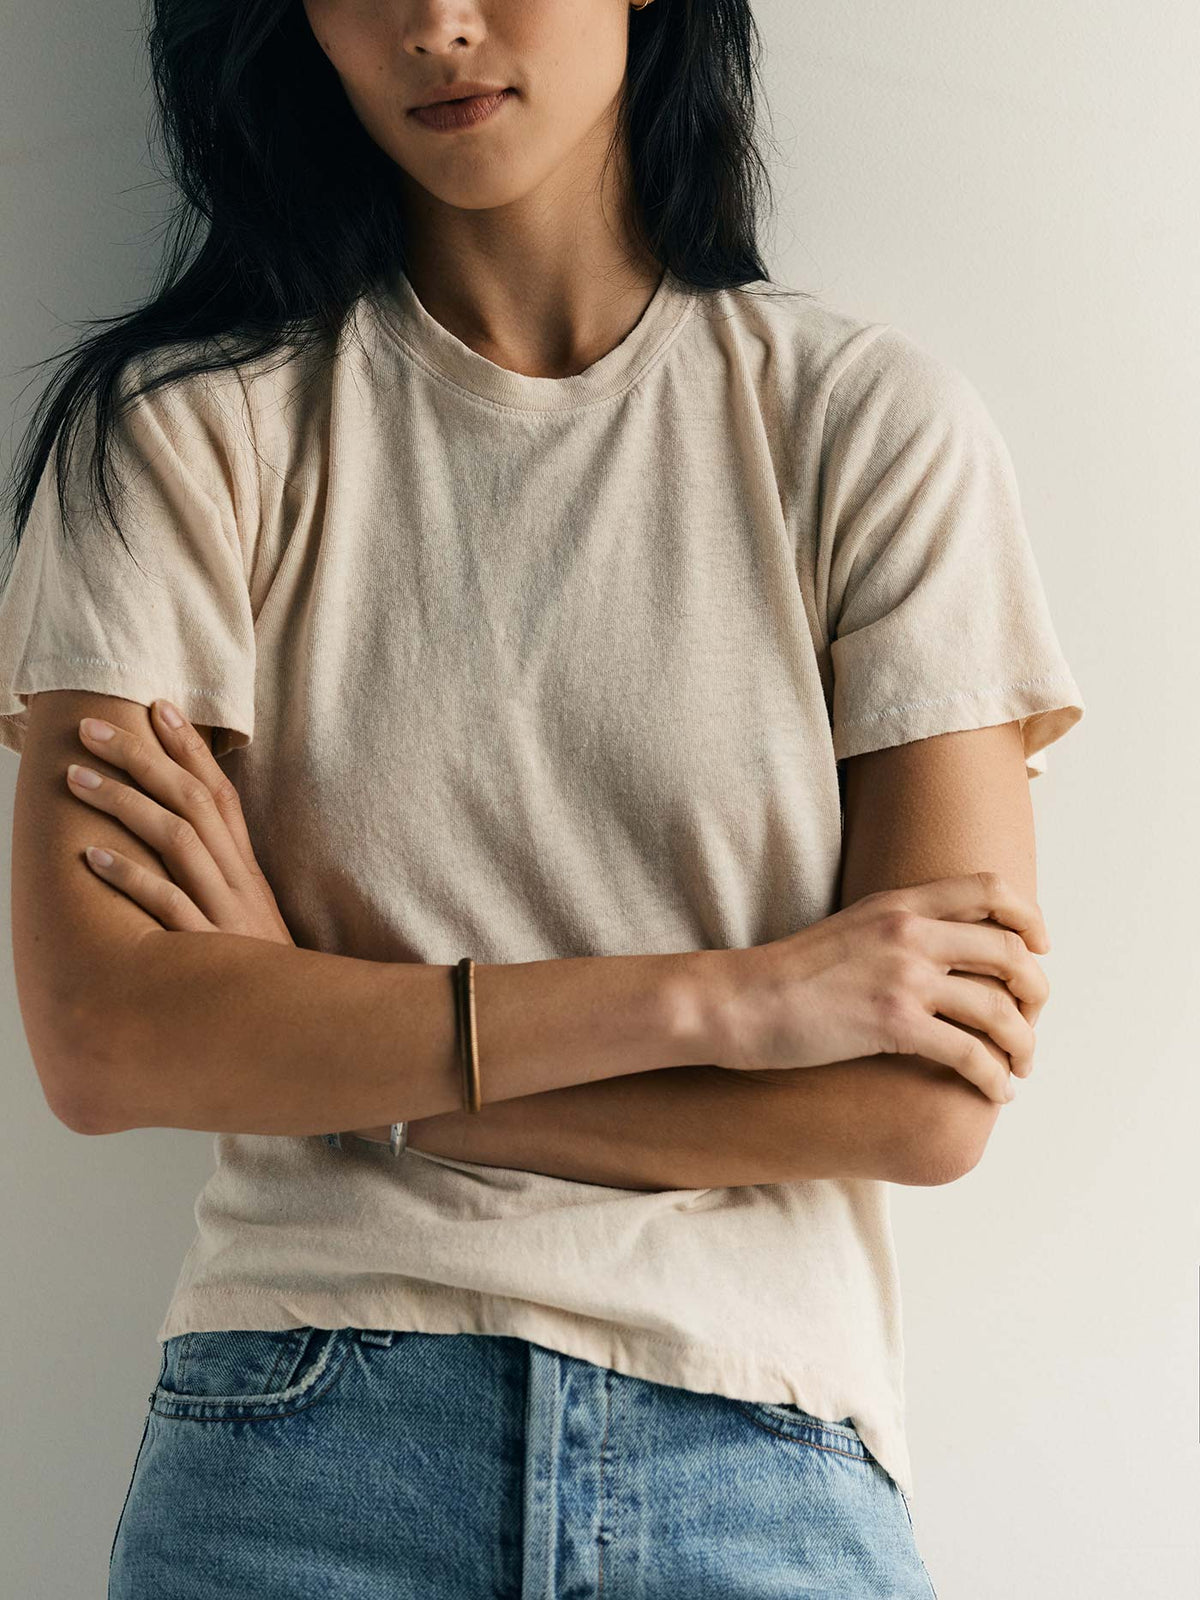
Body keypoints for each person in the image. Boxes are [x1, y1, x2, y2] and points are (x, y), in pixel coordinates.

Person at [0, 0, 1085, 1595]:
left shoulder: (869, 428)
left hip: (757, 1452)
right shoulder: (184, 435)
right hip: (300, 1435)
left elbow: (924, 1101)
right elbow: (108, 1039)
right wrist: (737, 1001)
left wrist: (340, 1051)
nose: (436, 24)